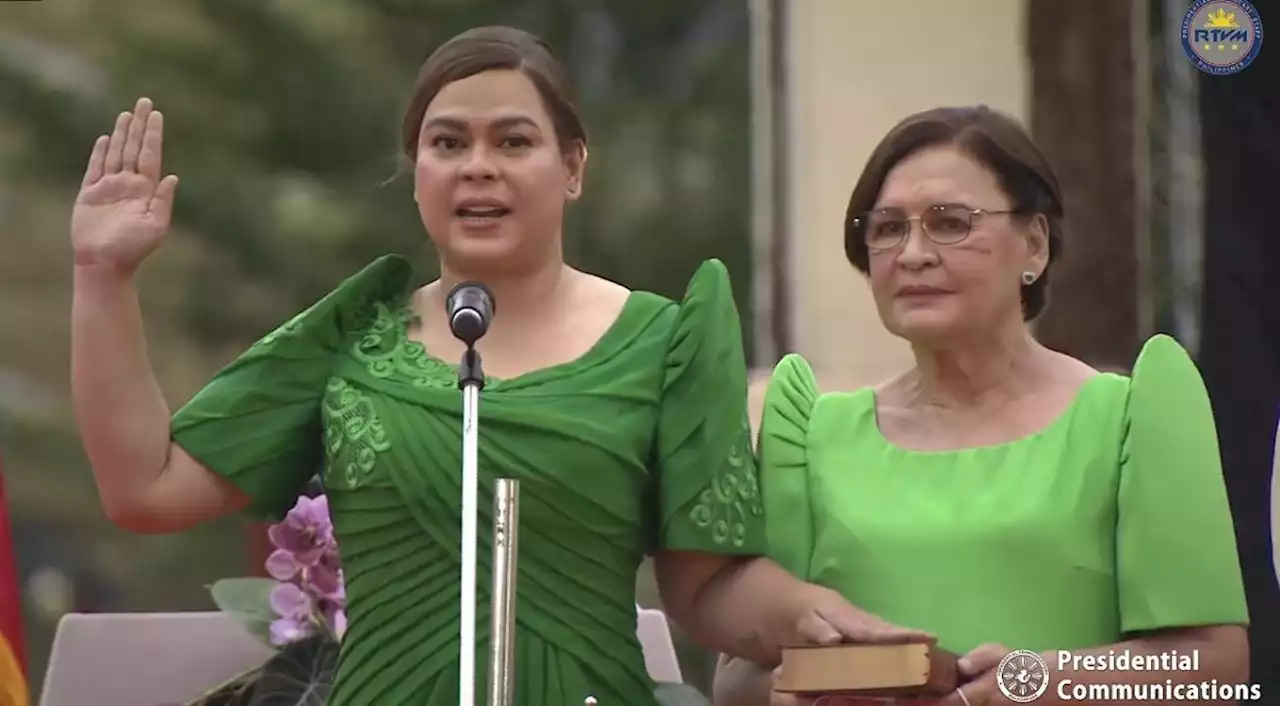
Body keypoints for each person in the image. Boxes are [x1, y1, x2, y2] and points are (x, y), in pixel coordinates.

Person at [68, 26, 925, 706]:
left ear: (573, 168)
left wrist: (811, 620)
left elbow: (709, 589)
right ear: (417, 176)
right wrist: (103, 278)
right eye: (448, 143)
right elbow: (146, 489)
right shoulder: (354, 336)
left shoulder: (666, 341)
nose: (478, 165)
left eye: (514, 141)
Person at [713, 106, 1250, 706]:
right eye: (888, 228)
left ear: (1035, 245)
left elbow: (1214, 667)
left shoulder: (1129, 417)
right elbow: (737, 675)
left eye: (949, 223)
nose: (912, 253)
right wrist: (791, 695)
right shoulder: (808, 434)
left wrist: (1032, 683)